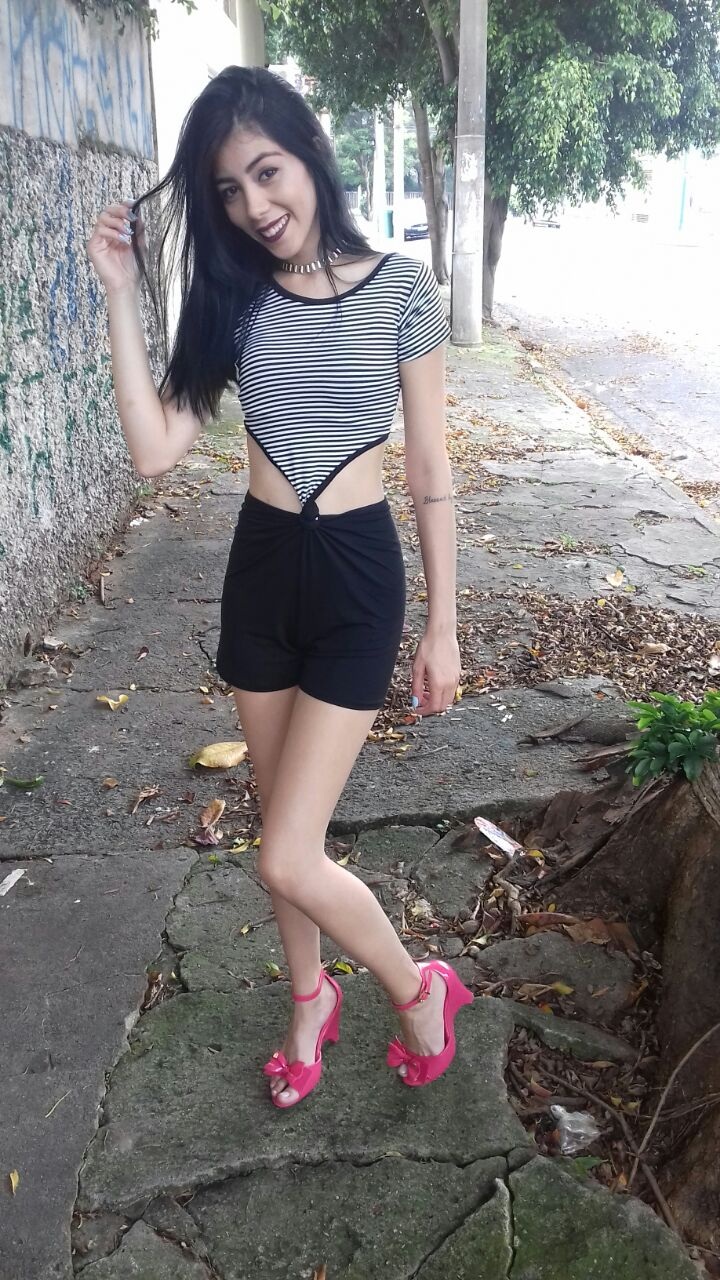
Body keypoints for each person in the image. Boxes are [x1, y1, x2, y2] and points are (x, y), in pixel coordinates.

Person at [86, 65, 472, 1109]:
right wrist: (120, 294)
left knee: (289, 853)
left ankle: (419, 989)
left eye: (267, 172)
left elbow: (429, 467)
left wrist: (444, 623)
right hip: (261, 572)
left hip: (358, 579)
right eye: (230, 190)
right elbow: (156, 448)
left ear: (310, 154)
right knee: (275, 830)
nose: (255, 205)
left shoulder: (402, 289)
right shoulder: (236, 295)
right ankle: (309, 1000)